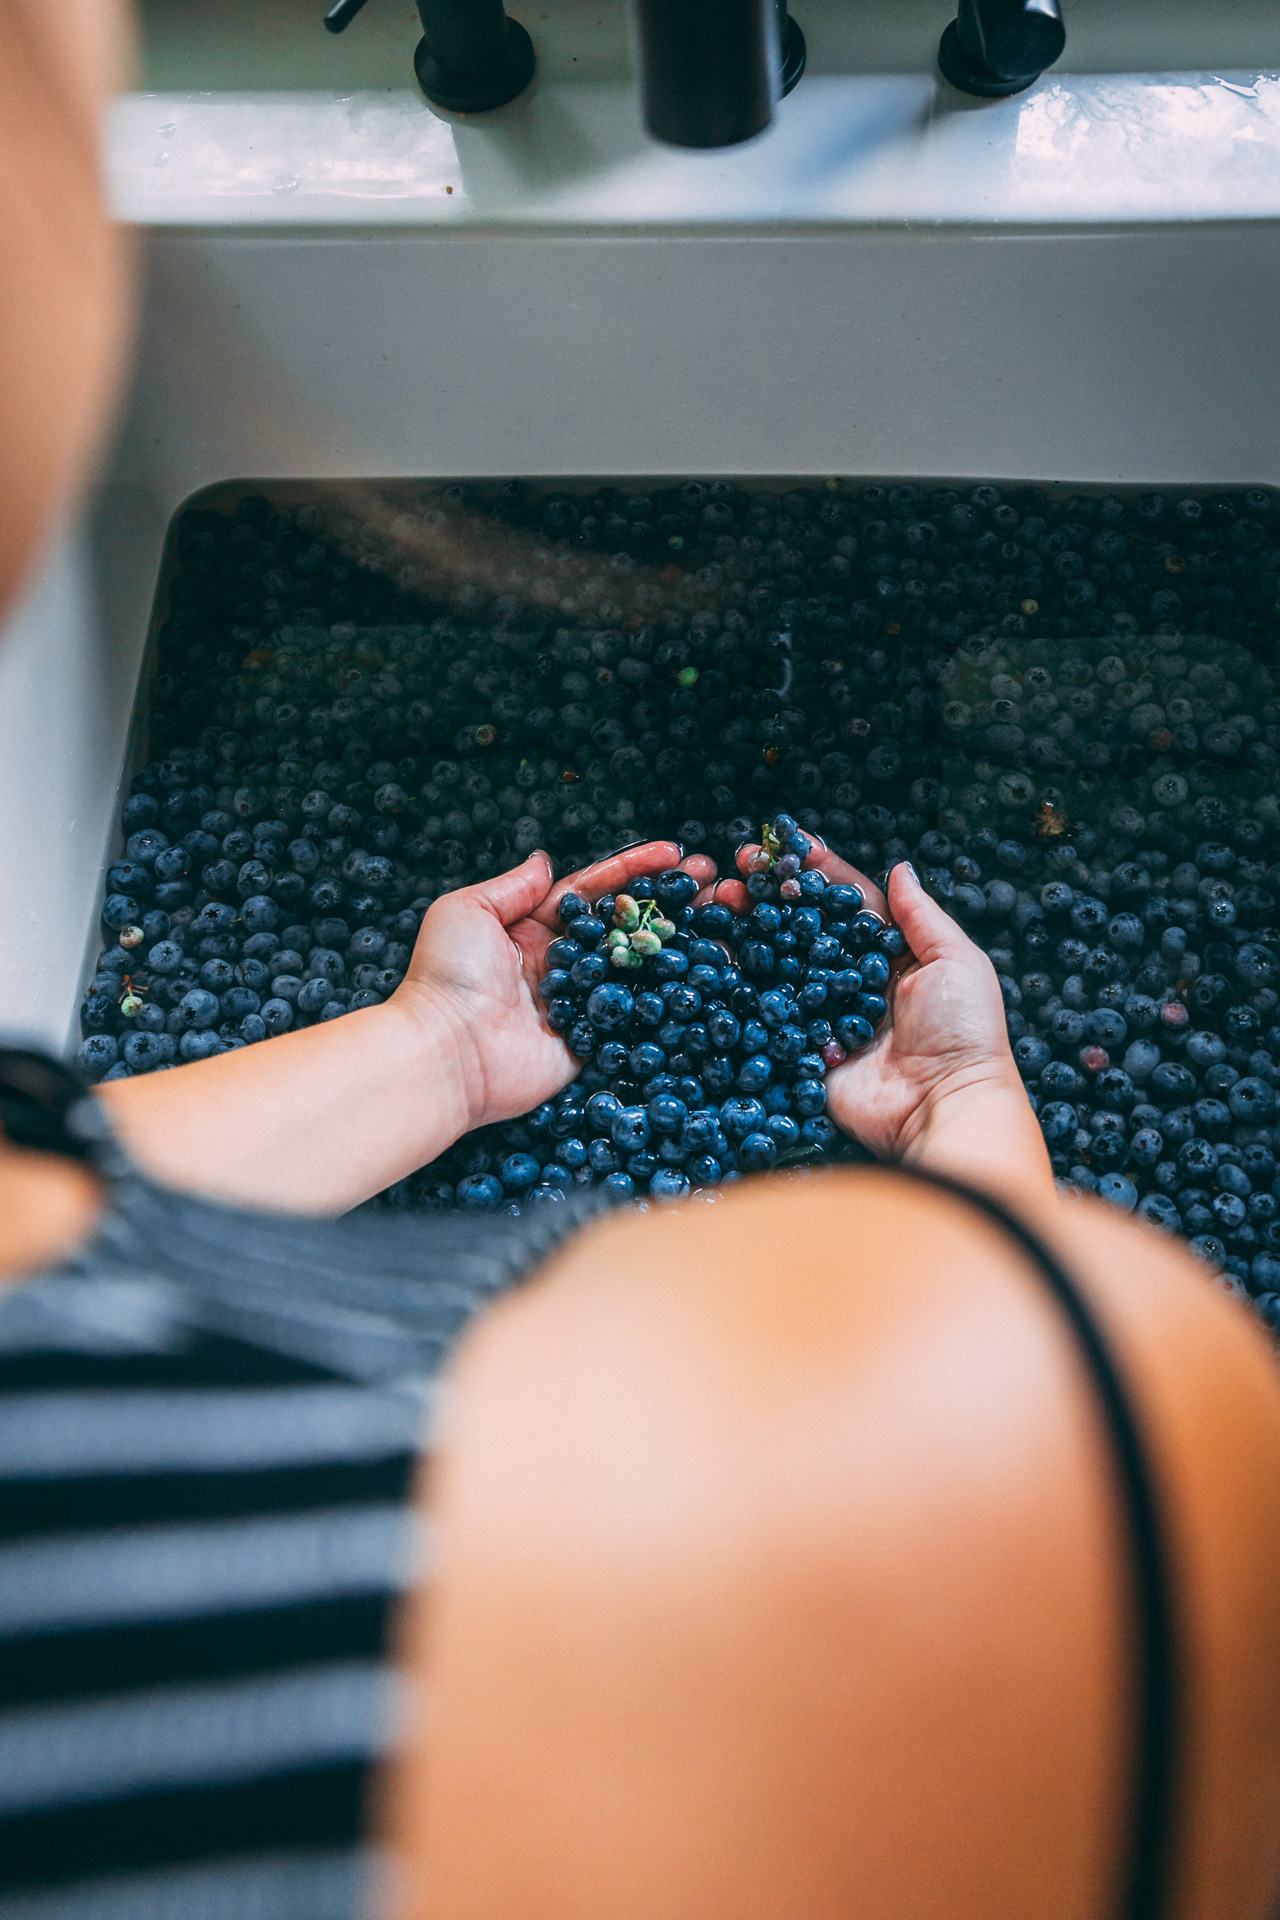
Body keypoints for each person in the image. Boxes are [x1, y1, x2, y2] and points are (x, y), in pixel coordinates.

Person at [3, 7, 1280, 1920]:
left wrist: (433, 1057)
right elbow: (1055, 1436)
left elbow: (76, 1235)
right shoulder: (1029, 1499)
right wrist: (975, 1125)